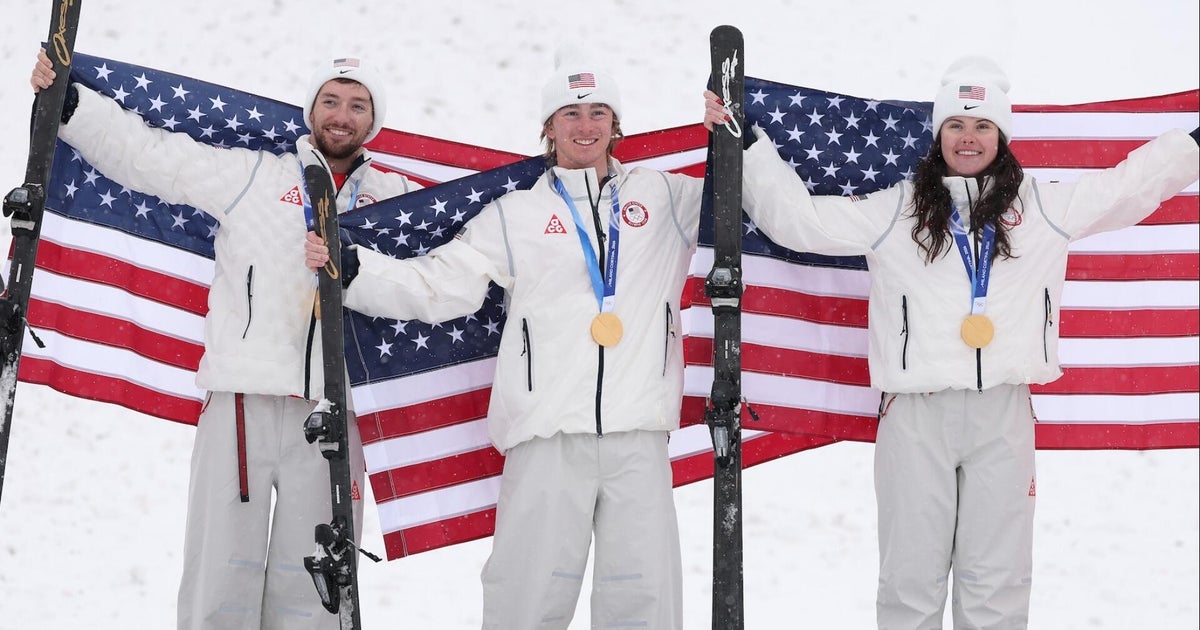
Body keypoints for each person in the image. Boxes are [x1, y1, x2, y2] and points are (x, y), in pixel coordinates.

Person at [704, 56, 1200, 629]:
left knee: (998, 583)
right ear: (939, 134)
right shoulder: (898, 209)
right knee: (910, 582)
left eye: (983, 125)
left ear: (1002, 135)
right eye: (957, 125)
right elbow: (802, 223)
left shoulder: (1044, 208)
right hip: (917, 415)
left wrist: (1193, 143)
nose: (969, 138)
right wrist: (746, 145)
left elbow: (1127, 187)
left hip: (1003, 416)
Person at [305, 54, 702, 630]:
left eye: (598, 112)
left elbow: (742, 199)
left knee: (644, 601)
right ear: (548, 127)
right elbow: (444, 284)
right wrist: (356, 268)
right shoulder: (516, 214)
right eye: (569, 114)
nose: (585, 126)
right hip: (546, 438)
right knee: (526, 598)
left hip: (638, 435)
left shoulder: (666, 198)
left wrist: (739, 137)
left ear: (616, 124)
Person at [30, 50, 420, 630]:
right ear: (311, 110)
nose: (342, 115)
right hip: (241, 404)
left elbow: (433, 281)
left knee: (314, 591)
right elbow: (152, 157)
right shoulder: (256, 174)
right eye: (331, 101)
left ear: (374, 120)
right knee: (219, 577)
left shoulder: (397, 199)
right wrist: (71, 103)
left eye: (358, 106)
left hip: (334, 413)